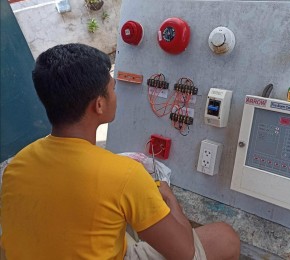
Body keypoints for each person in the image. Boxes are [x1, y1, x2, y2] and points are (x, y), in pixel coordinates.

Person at [0, 43, 240, 260]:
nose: (117, 96)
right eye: (113, 88)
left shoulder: (16, 165)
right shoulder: (125, 175)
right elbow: (185, 254)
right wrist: (169, 200)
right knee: (224, 237)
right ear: (99, 104)